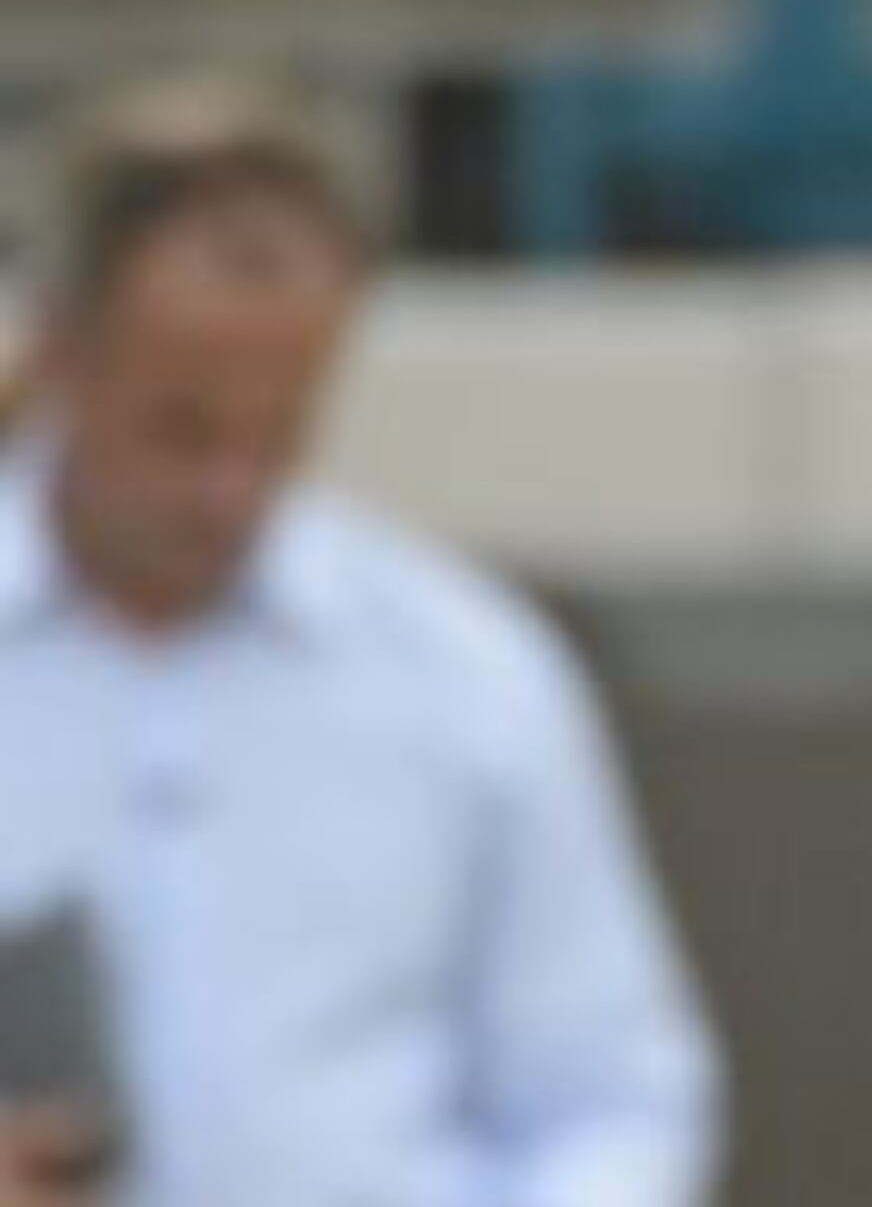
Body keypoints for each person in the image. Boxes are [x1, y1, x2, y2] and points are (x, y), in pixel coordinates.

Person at [0, 73, 719, 1207]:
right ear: (59, 355)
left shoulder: (473, 671)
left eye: (280, 429)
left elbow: (610, 1093)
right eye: (181, 427)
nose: (228, 491)